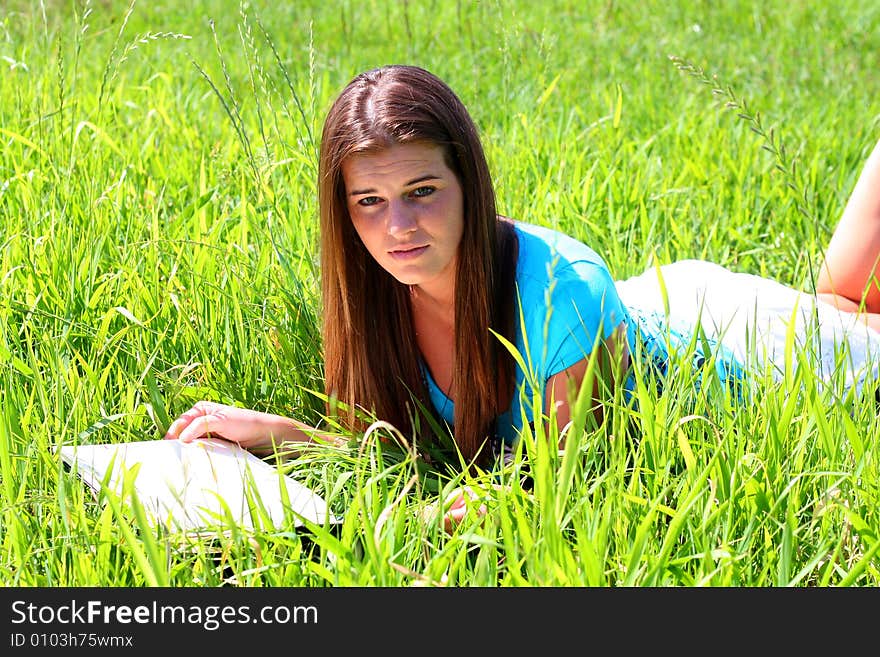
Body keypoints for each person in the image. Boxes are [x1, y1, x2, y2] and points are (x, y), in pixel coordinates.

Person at [164, 64, 880, 528]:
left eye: (421, 191)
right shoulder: (375, 292)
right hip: (654, 302)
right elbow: (392, 452)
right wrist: (275, 432)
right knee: (842, 296)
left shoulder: (556, 297)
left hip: (758, 360)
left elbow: (569, 488)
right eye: (369, 202)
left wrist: (428, 529)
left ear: (469, 182)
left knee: (851, 318)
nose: (398, 228)